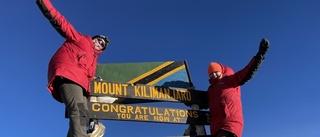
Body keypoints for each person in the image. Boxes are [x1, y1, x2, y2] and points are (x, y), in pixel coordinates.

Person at [36, 0, 109, 136]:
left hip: (81, 85)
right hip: (69, 76)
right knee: (77, 110)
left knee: (82, 115)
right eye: (99, 40)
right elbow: (60, 21)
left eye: (103, 44)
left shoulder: (94, 61)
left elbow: (89, 77)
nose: (100, 43)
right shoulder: (80, 39)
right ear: (94, 39)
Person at [207, 38, 270, 137]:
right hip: (216, 127)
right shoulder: (211, 89)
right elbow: (205, 102)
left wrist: (259, 56)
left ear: (221, 71)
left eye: (215, 72)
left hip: (229, 123)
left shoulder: (231, 79)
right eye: (211, 74)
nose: (214, 75)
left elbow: (247, 72)